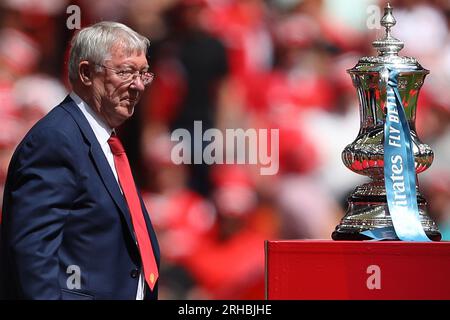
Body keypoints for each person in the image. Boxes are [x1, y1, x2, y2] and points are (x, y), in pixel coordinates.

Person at [0, 21, 160, 300]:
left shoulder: (105, 142)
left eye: (143, 74)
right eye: (126, 72)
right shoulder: (57, 140)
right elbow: (32, 254)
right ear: (86, 73)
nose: (138, 86)